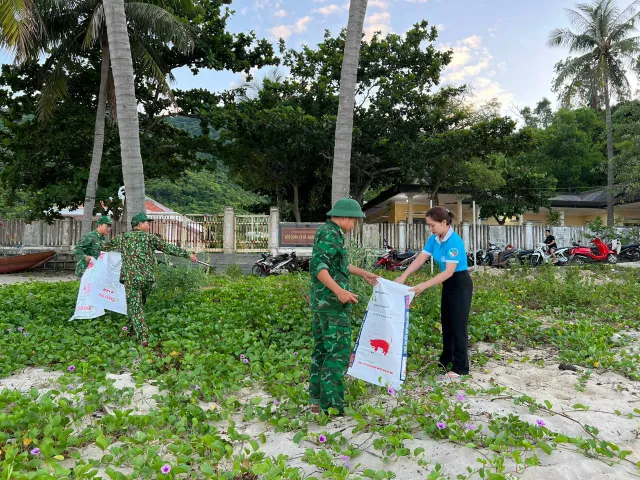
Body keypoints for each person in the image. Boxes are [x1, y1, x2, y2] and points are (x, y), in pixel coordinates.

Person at [309, 198, 379, 415]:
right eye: (354, 221)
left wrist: (364, 273)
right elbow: (318, 266)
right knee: (336, 352)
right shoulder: (330, 234)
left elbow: (338, 264)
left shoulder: (330, 233)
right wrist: (339, 291)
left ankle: (317, 400)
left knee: (322, 349)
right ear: (346, 217)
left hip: (323, 303)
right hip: (332, 304)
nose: (354, 226)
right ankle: (331, 406)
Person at [395, 206, 473, 380]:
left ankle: (461, 368)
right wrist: (404, 275)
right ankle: (446, 361)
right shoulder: (434, 238)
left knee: (458, 326)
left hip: (460, 284)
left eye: (432, 225)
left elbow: (448, 272)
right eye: (428, 225)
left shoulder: (454, 241)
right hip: (448, 285)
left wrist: (424, 285)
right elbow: (421, 258)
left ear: (444, 222)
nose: (430, 228)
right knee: (447, 323)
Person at [102, 213, 198, 347]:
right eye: (147, 223)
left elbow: (105, 247)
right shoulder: (150, 238)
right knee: (137, 305)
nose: (148, 225)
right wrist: (188, 255)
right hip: (147, 279)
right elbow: (168, 248)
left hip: (131, 278)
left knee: (135, 307)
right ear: (139, 225)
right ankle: (130, 330)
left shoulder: (123, 238)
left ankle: (142, 337)